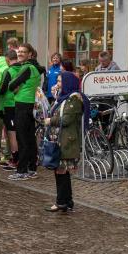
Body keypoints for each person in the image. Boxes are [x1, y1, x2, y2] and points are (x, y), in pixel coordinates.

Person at [43, 71, 85, 213]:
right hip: (60, 139)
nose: (58, 84)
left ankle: (61, 202)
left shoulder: (74, 100)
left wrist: (51, 121)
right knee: (61, 171)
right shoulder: (64, 98)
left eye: (60, 81)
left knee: (61, 171)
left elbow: (66, 119)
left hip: (67, 141)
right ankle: (67, 201)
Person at [8, 43, 42, 180]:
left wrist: (17, 86)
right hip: (29, 104)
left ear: (30, 54)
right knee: (30, 138)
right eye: (19, 51)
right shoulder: (34, 68)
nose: (20, 54)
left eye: (23, 52)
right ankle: (32, 168)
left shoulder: (26, 67)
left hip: (22, 105)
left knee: (22, 139)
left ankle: (22, 171)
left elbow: (11, 85)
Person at [0, 50, 21, 170]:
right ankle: (16, 157)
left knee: (11, 133)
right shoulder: (23, 69)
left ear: (7, 59)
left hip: (8, 104)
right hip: (20, 103)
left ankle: (15, 159)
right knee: (17, 131)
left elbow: (2, 89)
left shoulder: (8, 71)